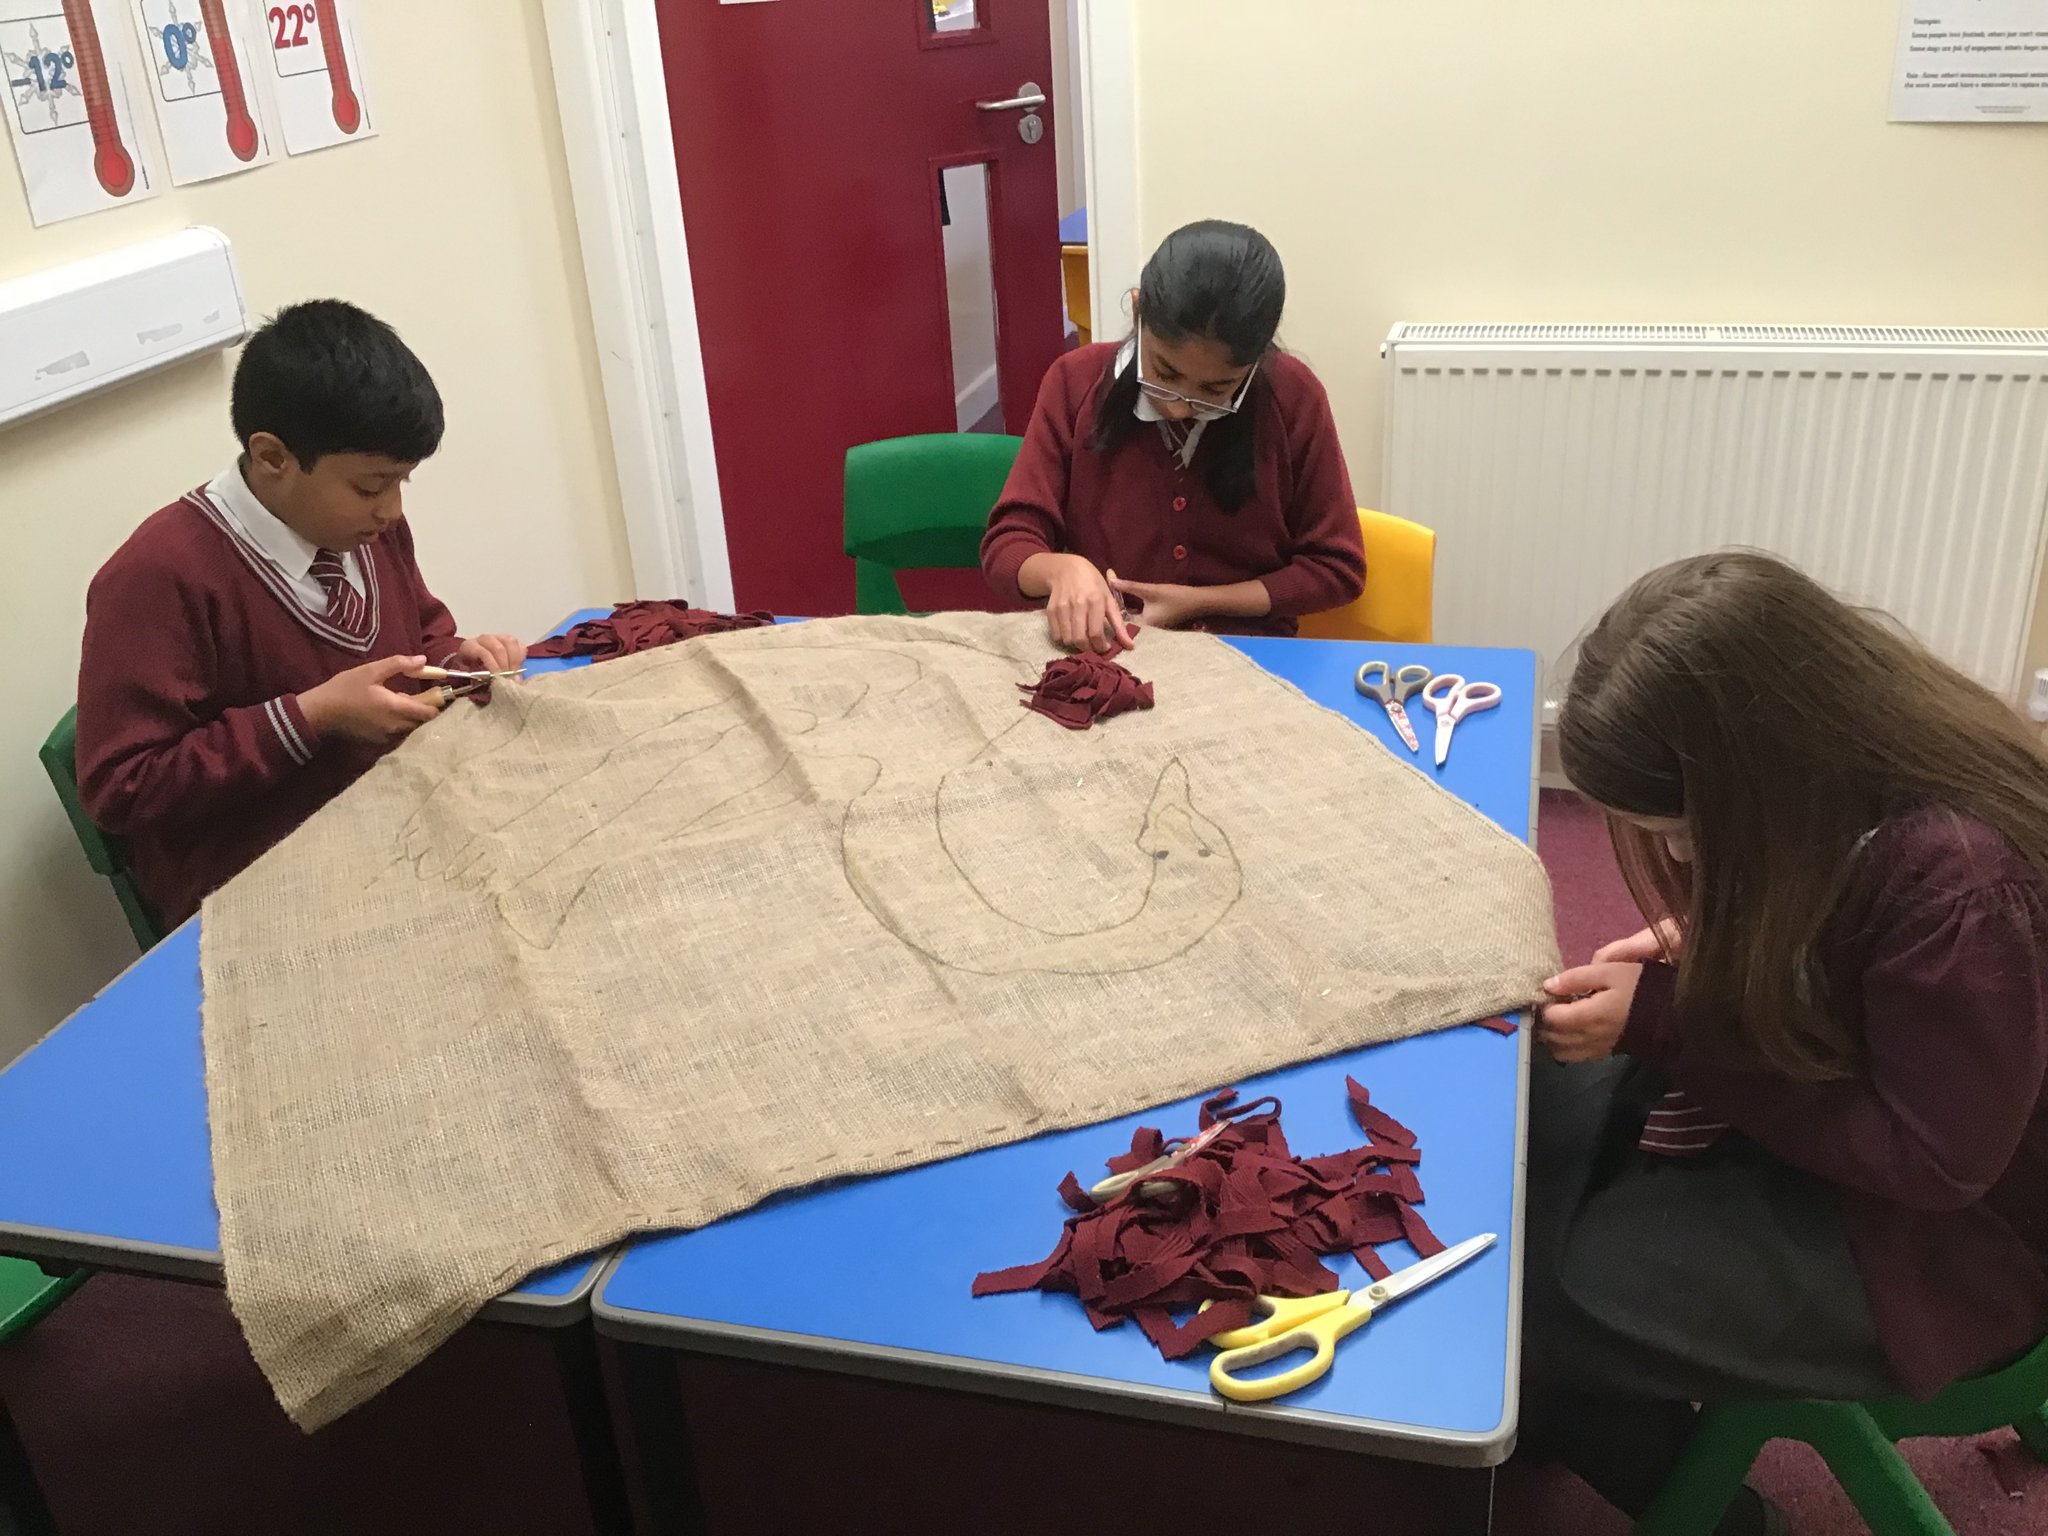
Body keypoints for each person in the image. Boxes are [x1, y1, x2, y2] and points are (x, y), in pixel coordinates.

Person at [1524, 551, 2048, 1535]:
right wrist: (1709, 942)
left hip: (1945, 1246)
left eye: (1677, 831)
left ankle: (1715, 1513)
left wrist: (1667, 1018)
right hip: (1865, 1102)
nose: (1672, 857)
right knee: (1544, 1128)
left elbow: (1931, 1164)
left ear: (1750, 784)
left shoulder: (1962, 886)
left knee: (1529, 1316)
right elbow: (1846, 935)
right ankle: (1579, 1391)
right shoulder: (1852, 761)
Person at [75, 300, 523, 927]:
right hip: (262, 887)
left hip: (390, 820)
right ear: (273, 458)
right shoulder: (157, 578)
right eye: (370, 487)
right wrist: (311, 717)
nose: (391, 509)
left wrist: (459, 662)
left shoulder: (363, 529)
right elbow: (123, 788)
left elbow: (422, 633)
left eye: (403, 483)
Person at [980, 220, 1365, 653]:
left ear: (1258, 358)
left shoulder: (1294, 397)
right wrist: (1060, 570)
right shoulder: (1074, 383)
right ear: (1139, 309)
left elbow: (1337, 569)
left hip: (1248, 657)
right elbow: (1008, 543)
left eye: (1216, 390)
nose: (1181, 406)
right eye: (1165, 373)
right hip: (1106, 650)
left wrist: (1200, 603)